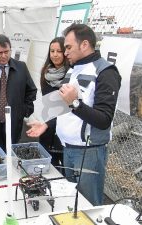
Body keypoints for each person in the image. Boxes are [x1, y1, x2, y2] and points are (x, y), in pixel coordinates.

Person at [27, 23, 121, 206]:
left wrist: (75, 103)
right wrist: (46, 124)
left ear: (84, 44)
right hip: (68, 148)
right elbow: (64, 109)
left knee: (87, 205)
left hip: (88, 151)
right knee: (71, 202)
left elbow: (104, 120)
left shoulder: (105, 71)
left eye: (68, 47)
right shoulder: (74, 68)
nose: (65, 51)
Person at [0, 34, 37, 151]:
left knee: (11, 153)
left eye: (7, 51)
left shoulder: (21, 67)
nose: (4, 56)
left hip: (13, 123)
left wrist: (24, 111)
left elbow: (31, 90)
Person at [38, 37, 68, 173]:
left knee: (66, 170)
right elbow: (46, 101)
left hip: (64, 127)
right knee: (48, 168)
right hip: (48, 124)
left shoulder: (71, 74)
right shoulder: (46, 73)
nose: (55, 54)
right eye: (52, 51)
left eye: (59, 51)